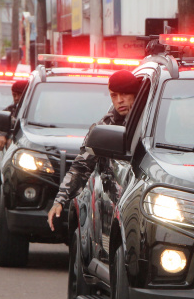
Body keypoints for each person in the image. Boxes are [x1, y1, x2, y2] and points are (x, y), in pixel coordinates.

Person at [47, 69, 142, 231]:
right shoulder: (107, 124)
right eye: (114, 95)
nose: (119, 100)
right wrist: (60, 201)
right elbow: (81, 166)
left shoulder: (148, 120)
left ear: (136, 93)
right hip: (117, 206)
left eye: (125, 94)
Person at [0, 79, 29, 151]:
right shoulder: (10, 111)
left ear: (28, 94)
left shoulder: (38, 111)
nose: (16, 98)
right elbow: (3, 125)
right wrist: (2, 136)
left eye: (20, 95)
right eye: (14, 95)